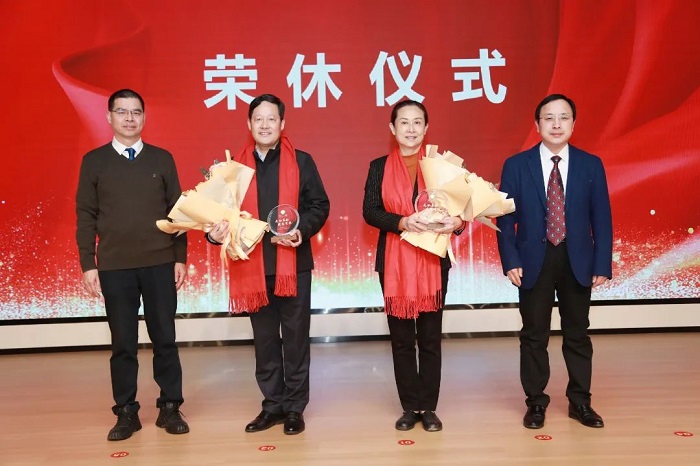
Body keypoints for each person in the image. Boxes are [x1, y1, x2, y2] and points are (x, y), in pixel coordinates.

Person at [207, 94, 329, 435]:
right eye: (258, 119)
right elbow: (215, 214)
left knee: (295, 340)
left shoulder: (301, 161)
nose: (264, 125)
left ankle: (295, 409)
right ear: (249, 124)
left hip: (293, 266)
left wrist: (302, 230)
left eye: (271, 119)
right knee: (264, 341)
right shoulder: (232, 170)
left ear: (282, 124)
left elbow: (319, 205)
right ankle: (272, 405)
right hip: (253, 267)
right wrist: (213, 235)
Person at [76, 89, 189, 441]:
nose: (129, 118)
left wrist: (180, 257)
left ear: (144, 117)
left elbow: (179, 212)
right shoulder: (94, 161)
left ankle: (170, 406)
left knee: (165, 338)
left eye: (136, 112)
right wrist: (88, 263)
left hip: (160, 262)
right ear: (109, 116)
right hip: (115, 266)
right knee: (123, 342)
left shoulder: (162, 159)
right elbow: (86, 215)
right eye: (122, 111)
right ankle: (126, 412)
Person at [496, 94, 613, 429]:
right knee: (534, 334)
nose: (557, 124)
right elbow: (505, 218)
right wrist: (510, 260)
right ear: (537, 125)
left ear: (574, 124)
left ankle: (581, 402)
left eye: (564, 117)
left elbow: (601, 217)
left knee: (577, 333)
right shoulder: (516, 165)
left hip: (578, 259)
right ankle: (536, 402)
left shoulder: (591, 164)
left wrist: (601, 263)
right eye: (549, 118)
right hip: (533, 260)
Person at [362, 100, 464, 432]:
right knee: (402, 339)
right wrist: (403, 222)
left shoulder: (440, 166)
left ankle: (428, 407)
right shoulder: (378, 167)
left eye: (417, 122)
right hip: (393, 263)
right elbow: (370, 211)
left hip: (434, 261)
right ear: (393, 129)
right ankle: (410, 406)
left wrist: (457, 222)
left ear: (426, 128)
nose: (410, 128)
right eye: (403, 122)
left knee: (431, 337)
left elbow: (461, 210)